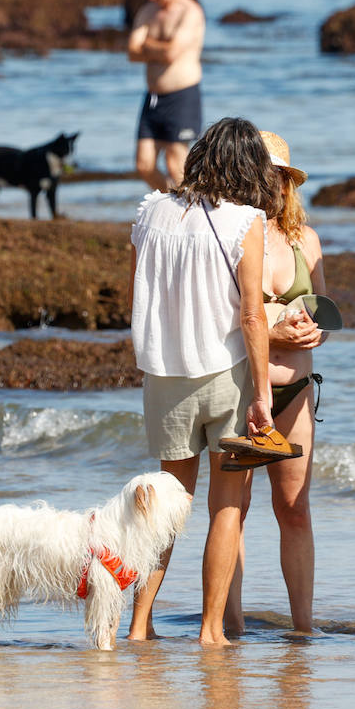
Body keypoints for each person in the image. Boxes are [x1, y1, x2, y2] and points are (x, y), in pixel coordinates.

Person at [127, 116, 281, 647]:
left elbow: (138, 290)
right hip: (226, 375)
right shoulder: (246, 220)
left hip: (164, 376)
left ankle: (139, 624)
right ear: (247, 167)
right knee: (227, 505)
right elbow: (253, 316)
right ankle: (211, 631)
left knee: (167, 511)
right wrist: (263, 395)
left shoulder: (149, 212)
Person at [257, 130, 327, 634]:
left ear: (287, 182)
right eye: (260, 173)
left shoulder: (304, 238)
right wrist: (271, 325)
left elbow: (325, 308)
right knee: (231, 512)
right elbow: (218, 315)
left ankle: (303, 627)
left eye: (277, 176)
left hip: (297, 393)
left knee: (294, 508)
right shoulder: (232, 235)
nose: (269, 184)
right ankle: (228, 626)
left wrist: (314, 328)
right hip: (245, 389)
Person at [128, 0, 205, 191]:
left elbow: (172, 53)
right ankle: (173, 200)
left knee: (175, 163)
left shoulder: (189, 12)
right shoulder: (148, 10)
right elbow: (132, 51)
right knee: (144, 164)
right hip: (152, 98)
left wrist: (148, 45)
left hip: (182, 95)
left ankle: (190, 211)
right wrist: (160, 47)